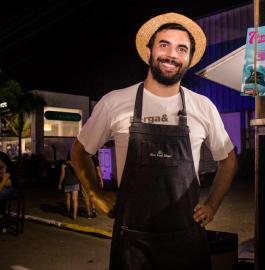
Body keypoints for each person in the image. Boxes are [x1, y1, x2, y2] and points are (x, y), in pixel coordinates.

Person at [71, 12, 237, 270]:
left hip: (187, 241)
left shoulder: (203, 106)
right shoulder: (115, 102)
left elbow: (228, 161)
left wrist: (212, 205)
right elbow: (80, 151)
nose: (172, 54)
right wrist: (95, 194)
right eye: (164, 45)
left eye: (182, 48)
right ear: (149, 51)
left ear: (189, 59)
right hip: (132, 243)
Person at [58, 154, 80, 220]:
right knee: (75, 200)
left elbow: (62, 175)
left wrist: (60, 183)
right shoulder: (76, 164)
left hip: (67, 183)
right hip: (75, 183)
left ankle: (68, 212)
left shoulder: (64, 165)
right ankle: (74, 216)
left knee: (68, 198)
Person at [81, 154, 103, 218]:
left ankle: (88, 214)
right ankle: (93, 210)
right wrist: (101, 180)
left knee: (86, 197)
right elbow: (98, 170)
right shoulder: (94, 157)